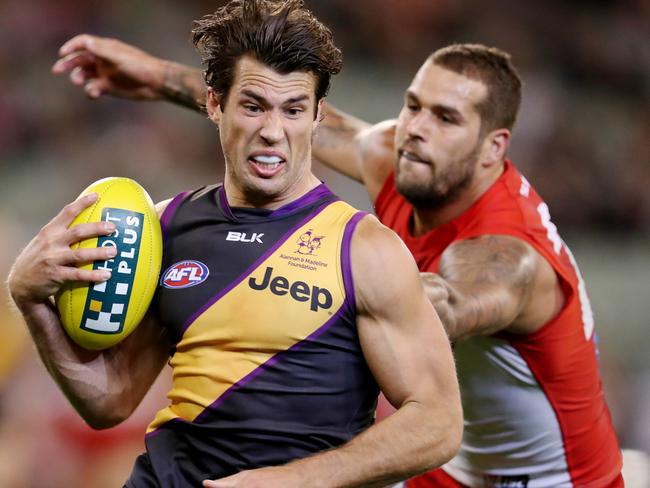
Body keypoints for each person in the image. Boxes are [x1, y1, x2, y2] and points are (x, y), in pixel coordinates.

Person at [53, 28, 624, 487]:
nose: (415, 131)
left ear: (493, 148)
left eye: (446, 119)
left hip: (556, 477)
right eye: (413, 106)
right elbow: (286, 118)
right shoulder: (406, 160)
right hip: (452, 470)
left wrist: (334, 287)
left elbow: (444, 306)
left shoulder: (508, 259)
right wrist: (156, 78)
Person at [9, 1, 464, 487]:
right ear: (214, 104)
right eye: (253, 106)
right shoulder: (165, 227)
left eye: (293, 110)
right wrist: (30, 299)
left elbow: (437, 424)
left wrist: (291, 481)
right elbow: (109, 401)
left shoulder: (364, 249)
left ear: (317, 115)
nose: (272, 132)